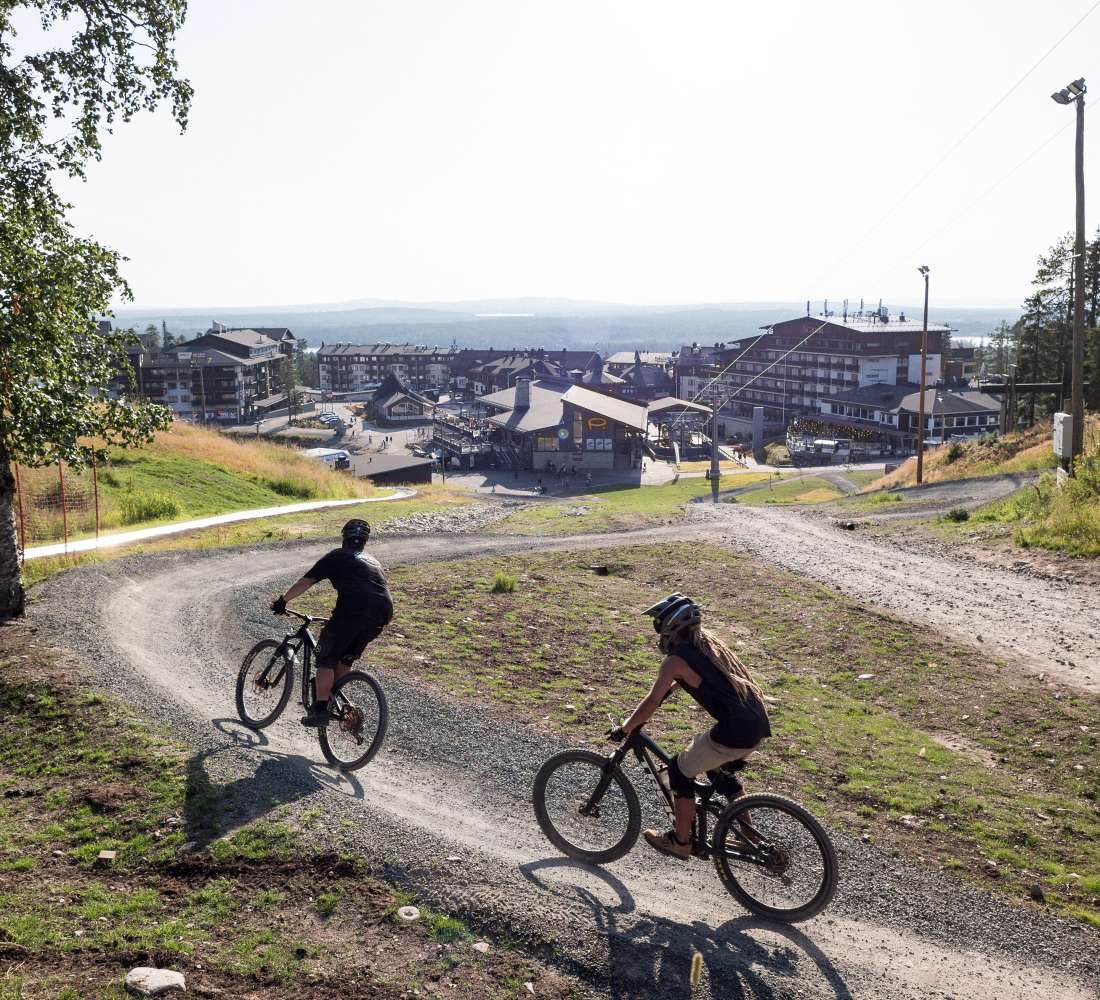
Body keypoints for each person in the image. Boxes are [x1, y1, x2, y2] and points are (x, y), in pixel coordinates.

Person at [609, 593, 770, 860]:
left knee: (678, 769)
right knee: (717, 771)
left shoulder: (675, 662)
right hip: (756, 724)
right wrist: (670, 689)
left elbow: (650, 703)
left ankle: (680, 841)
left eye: (658, 625)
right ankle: (749, 833)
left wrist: (626, 727)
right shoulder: (707, 647)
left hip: (735, 730)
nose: (657, 632)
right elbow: (698, 679)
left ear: (670, 626)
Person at [270, 519, 393, 727]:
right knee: (345, 658)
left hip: (354, 611)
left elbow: (306, 581)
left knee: (325, 658)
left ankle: (319, 710)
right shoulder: (374, 561)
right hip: (382, 614)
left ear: (344, 537)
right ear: (364, 541)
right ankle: (331, 696)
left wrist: (283, 601)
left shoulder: (337, 556)